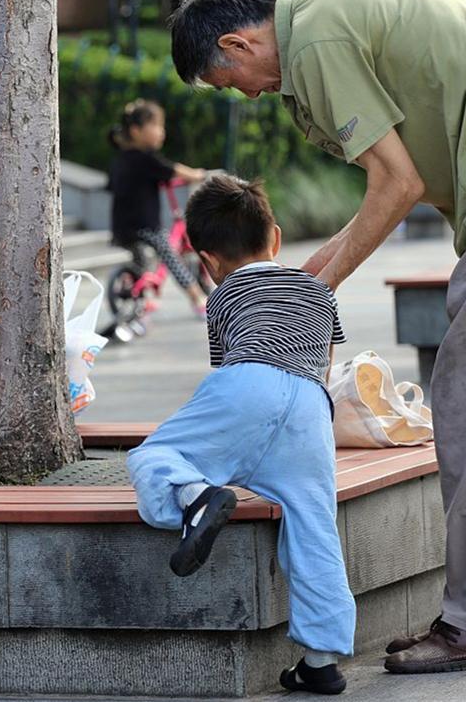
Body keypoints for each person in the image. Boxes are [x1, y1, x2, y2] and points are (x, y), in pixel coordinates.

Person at [169, 0, 466, 675]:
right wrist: (311, 274)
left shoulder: (319, 41)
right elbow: (394, 185)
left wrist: (305, 298)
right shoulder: (332, 9)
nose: (245, 93)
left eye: (229, 78)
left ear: (237, 41)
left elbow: (398, 184)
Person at [127, 175, 353, 695]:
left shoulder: (224, 294)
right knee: (313, 520)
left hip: (246, 380)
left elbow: (231, 379)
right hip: (311, 405)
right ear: (274, 238)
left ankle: (194, 496)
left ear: (207, 261)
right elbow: (324, 365)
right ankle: (321, 658)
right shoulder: (318, 291)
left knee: (155, 455)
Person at [108, 99, 210, 317]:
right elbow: (173, 169)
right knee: (172, 257)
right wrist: (198, 175)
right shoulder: (145, 159)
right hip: (145, 226)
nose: (161, 132)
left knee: (141, 263)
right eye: (155, 126)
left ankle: (142, 299)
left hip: (121, 226)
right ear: (135, 131)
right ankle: (197, 297)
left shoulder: (121, 160)